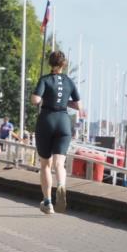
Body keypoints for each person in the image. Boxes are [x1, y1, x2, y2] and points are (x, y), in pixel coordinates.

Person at [30, 50, 83, 214]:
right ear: (64, 64)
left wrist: (45, 96)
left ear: (50, 63)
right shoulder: (69, 81)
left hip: (47, 120)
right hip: (64, 123)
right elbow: (78, 105)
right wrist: (62, 100)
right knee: (59, 163)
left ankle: (48, 203)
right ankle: (61, 185)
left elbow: (35, 100)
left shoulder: (45, 79)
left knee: (46, 164)